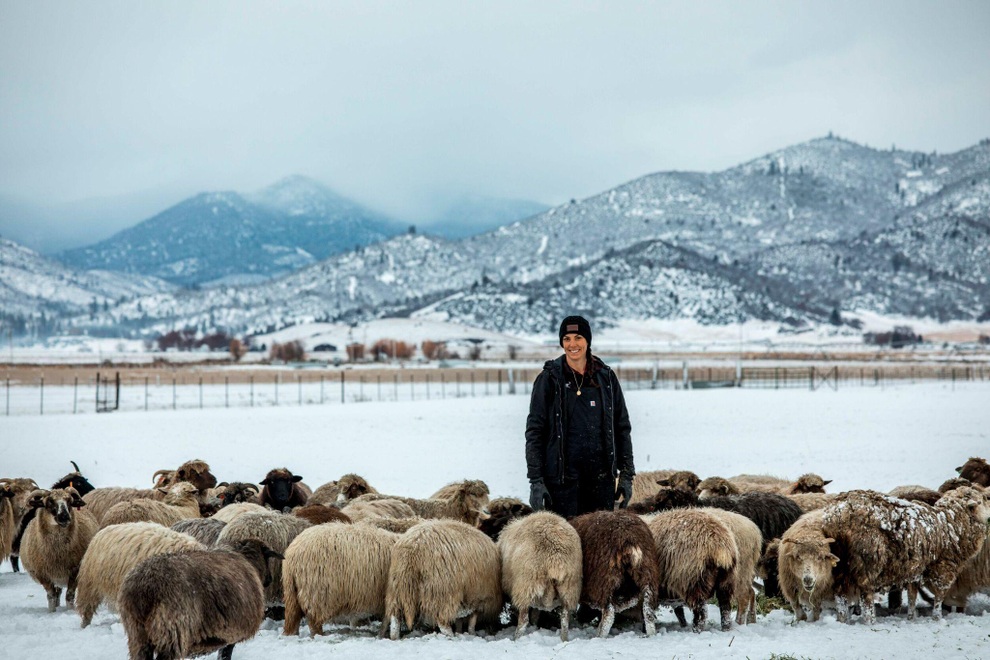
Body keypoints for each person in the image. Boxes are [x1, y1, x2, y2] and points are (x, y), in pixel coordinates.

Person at [525, 315, 635, 517]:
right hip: (561, 483)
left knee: (599, 545)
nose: (572, 344)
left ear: (588, 341)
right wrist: (536, 481)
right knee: (566, 545)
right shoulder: (549, 380)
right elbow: (535, 432)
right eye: (566, 339)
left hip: (601, 482)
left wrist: (627, 475)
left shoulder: (606, 377)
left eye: (578, 338)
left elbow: (622, 427)